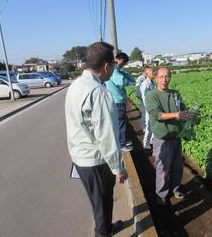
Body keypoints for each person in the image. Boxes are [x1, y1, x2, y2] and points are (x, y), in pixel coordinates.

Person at [65, 42, 128, 237]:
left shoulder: (76, 85)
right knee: (102, 205)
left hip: (80, 157)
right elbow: (107, 136)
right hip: (95, 161)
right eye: (113, 66)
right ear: (107, 66)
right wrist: (118, 168)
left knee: (97, 201)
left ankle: (107, 228)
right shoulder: (98, 92)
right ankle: (104, 232)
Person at [145, 67, 192, 205]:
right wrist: (177, 115)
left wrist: (189, 114)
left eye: (167, 76)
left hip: (176, 136)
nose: (164, 80)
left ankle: (176, 189)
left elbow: (182, 109)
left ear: (170, 78)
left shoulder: (175, 94)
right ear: (155, 78)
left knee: (178, 166)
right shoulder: (151, 95)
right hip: (162, 139)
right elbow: (157, 115)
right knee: (163, 168)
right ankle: (161, 195)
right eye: (161, 76)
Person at [106, 52, 135, 152]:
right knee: (120, 123)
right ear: (122, 60)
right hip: (117, 100)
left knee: (120, 122)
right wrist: (131, 82)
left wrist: (124, 73)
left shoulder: (116, 69)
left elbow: (128, 77)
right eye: (124, 63)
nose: (124, 66)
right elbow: (122, 81)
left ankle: (122, 142)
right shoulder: (114, 70)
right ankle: (122, 145)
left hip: (117, 100)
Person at [139, 66, 156, 150]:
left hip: (154, 107)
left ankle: (152, 140)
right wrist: (149, 108)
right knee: (149, 125)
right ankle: (146, 143)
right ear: (147, 74)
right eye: (153, 72)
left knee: (153, 124)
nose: (154, 73)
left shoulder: (153, 83)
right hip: (149, 108)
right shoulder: (145, 84)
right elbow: (144, 98)